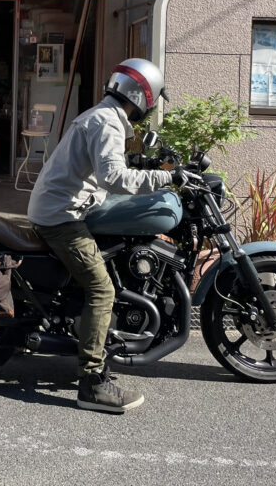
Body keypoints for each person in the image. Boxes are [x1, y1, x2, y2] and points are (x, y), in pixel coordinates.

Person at [27, 57, 182, 413]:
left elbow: (107, 169)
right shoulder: (106, 122)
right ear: (143, 95)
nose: (153, 106)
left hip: (65, 206)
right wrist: (165, 178)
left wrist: (150, 167)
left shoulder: (104, 117)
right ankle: (93, 382)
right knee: (101, 289)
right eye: (153, 99)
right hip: (61, 216)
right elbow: (115, 178)